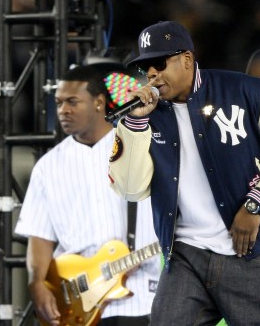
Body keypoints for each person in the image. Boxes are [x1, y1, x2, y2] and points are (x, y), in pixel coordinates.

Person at [107, 21, 260, 326]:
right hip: (185, 255)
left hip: (251, 252)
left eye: (159, 63)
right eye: (145, 67)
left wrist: (256, 204)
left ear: (187, 59)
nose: (151, 74)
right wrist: (135, 124)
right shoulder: (143, 117)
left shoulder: (245, 90)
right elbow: (130, 189)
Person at [15, 65, 161, 326]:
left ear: (99, 103)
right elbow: (39, 236)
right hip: (77, 303)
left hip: (142, 295)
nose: (63, 110)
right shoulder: (47, 166)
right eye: (59, 103)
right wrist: (37, 282)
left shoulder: (138, 145)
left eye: (73, 102)